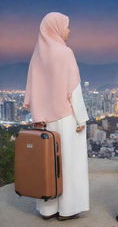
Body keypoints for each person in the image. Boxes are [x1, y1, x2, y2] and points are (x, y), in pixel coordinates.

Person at [23, 12, 90, 221]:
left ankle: (47, 209)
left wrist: (37, 114)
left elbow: (32, 89)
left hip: (44, 121)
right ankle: (67, 210)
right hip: (66, 118)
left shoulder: (37, 55)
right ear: (56, 27)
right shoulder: (65, 52)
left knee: (47, 164)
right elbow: (74, 90)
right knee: (69, 164)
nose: (69, 31)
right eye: (67, 26)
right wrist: (81, 119)